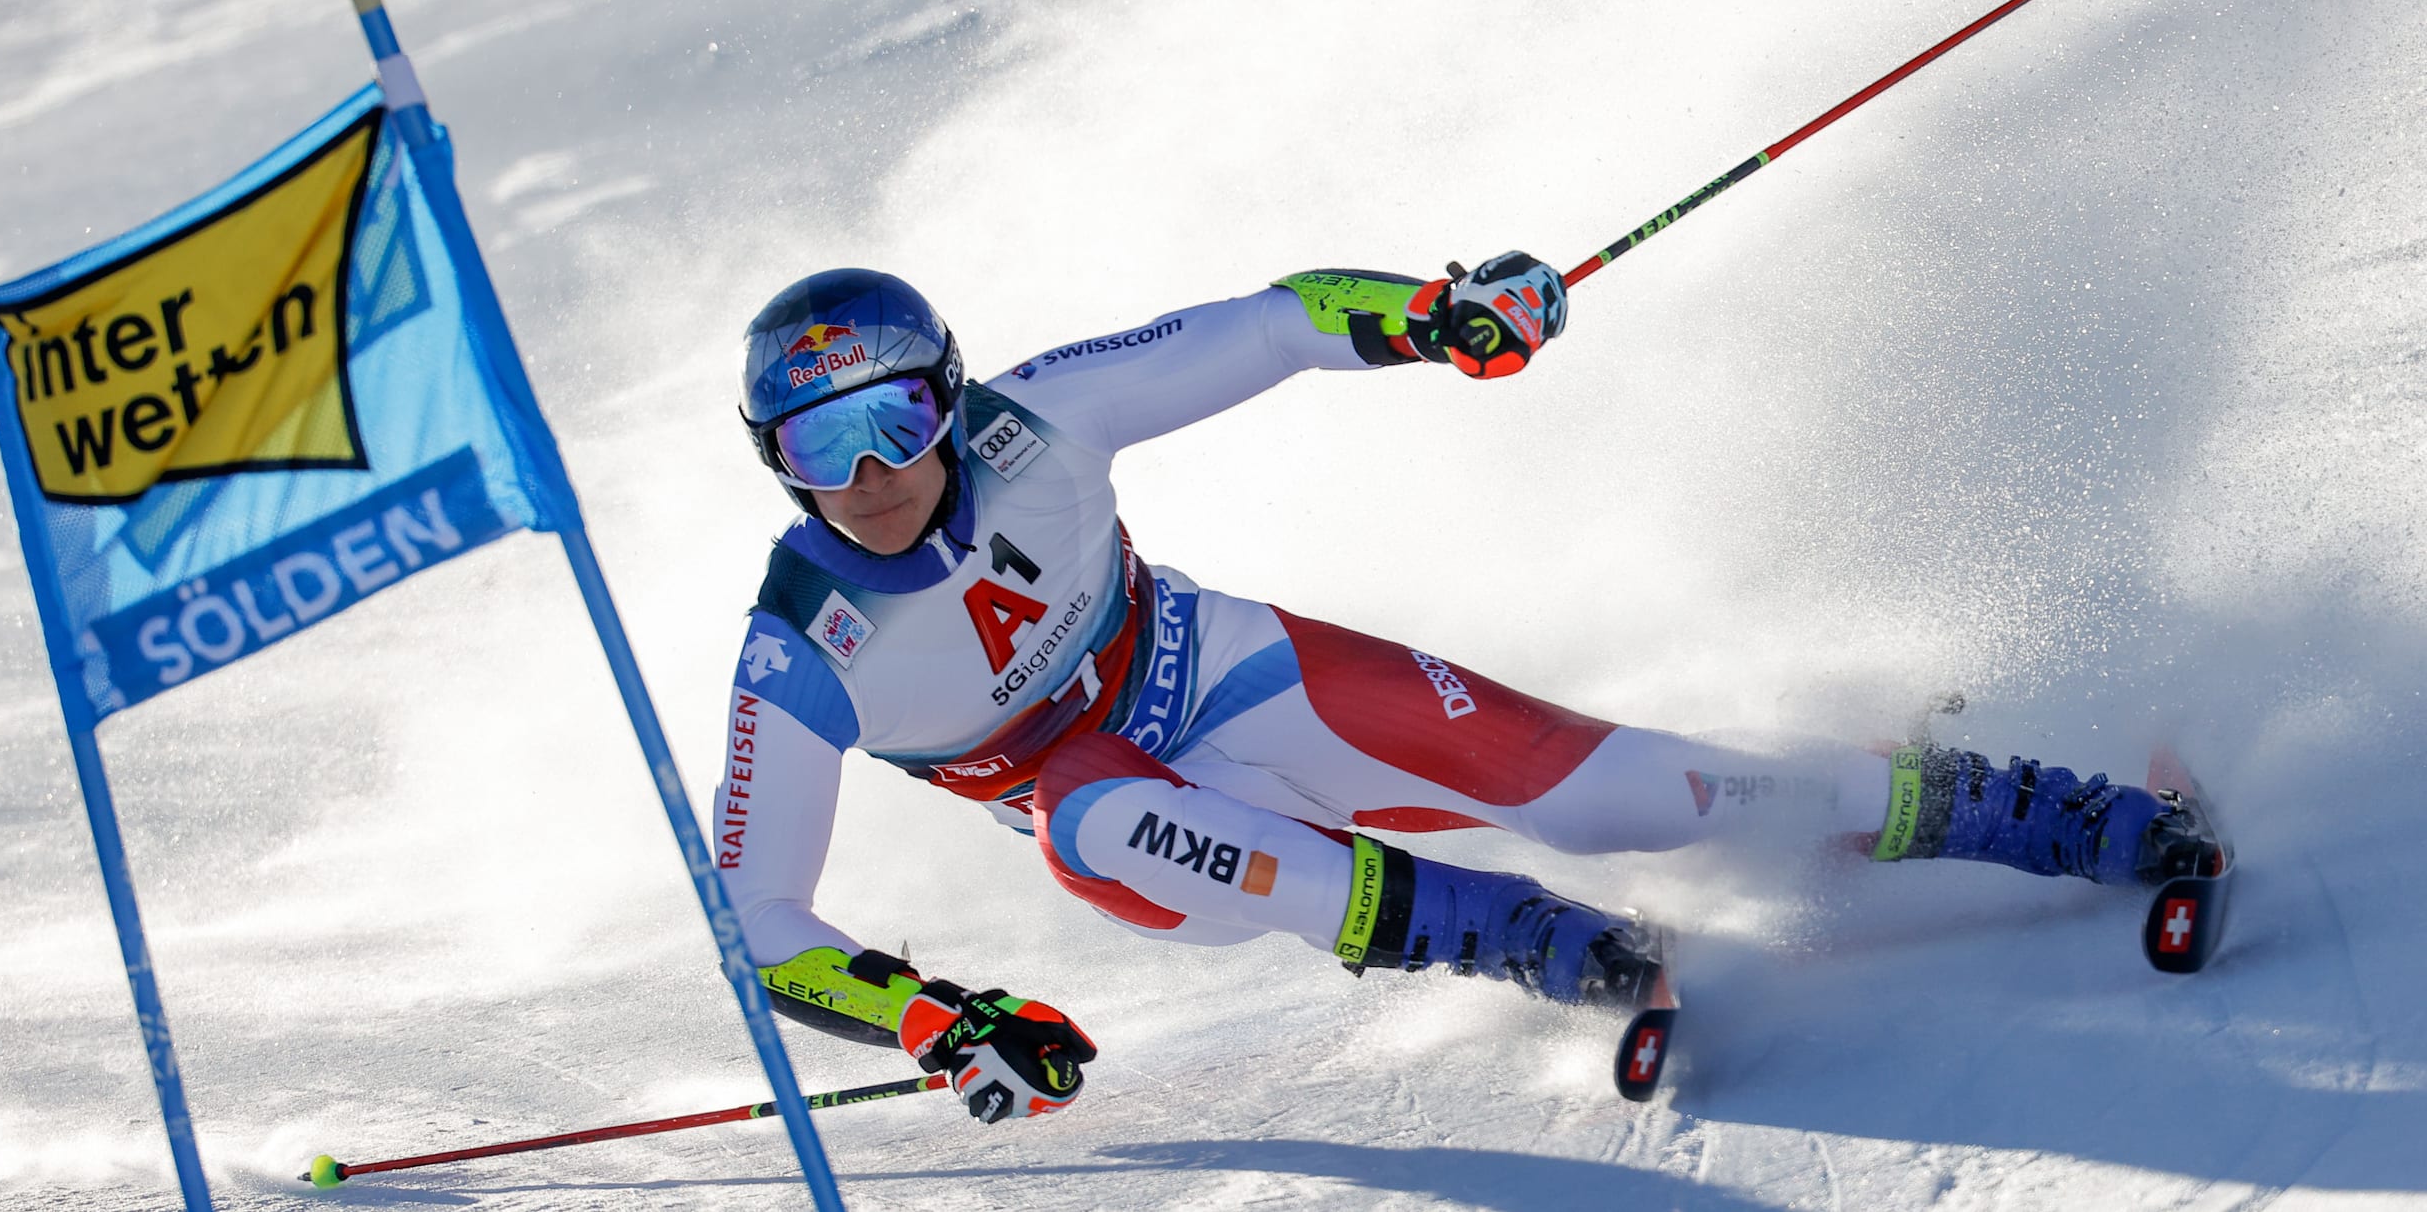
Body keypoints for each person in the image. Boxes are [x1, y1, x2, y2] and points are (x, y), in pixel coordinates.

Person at [710, 258, 2210, 1125]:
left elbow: (1278, 322)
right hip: (1133, 811)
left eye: (896, 419)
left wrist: (1439, 311)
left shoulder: (1040, 419)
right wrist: (932, 1019)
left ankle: (2043, 814)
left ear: (950, 396)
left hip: (1233, 672)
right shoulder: (805, 648)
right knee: (1086, 819)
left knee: (1632, 792)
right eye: (814, 449)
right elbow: (759, 920)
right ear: (774, 466)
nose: (871, 478)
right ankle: (1533, 940)